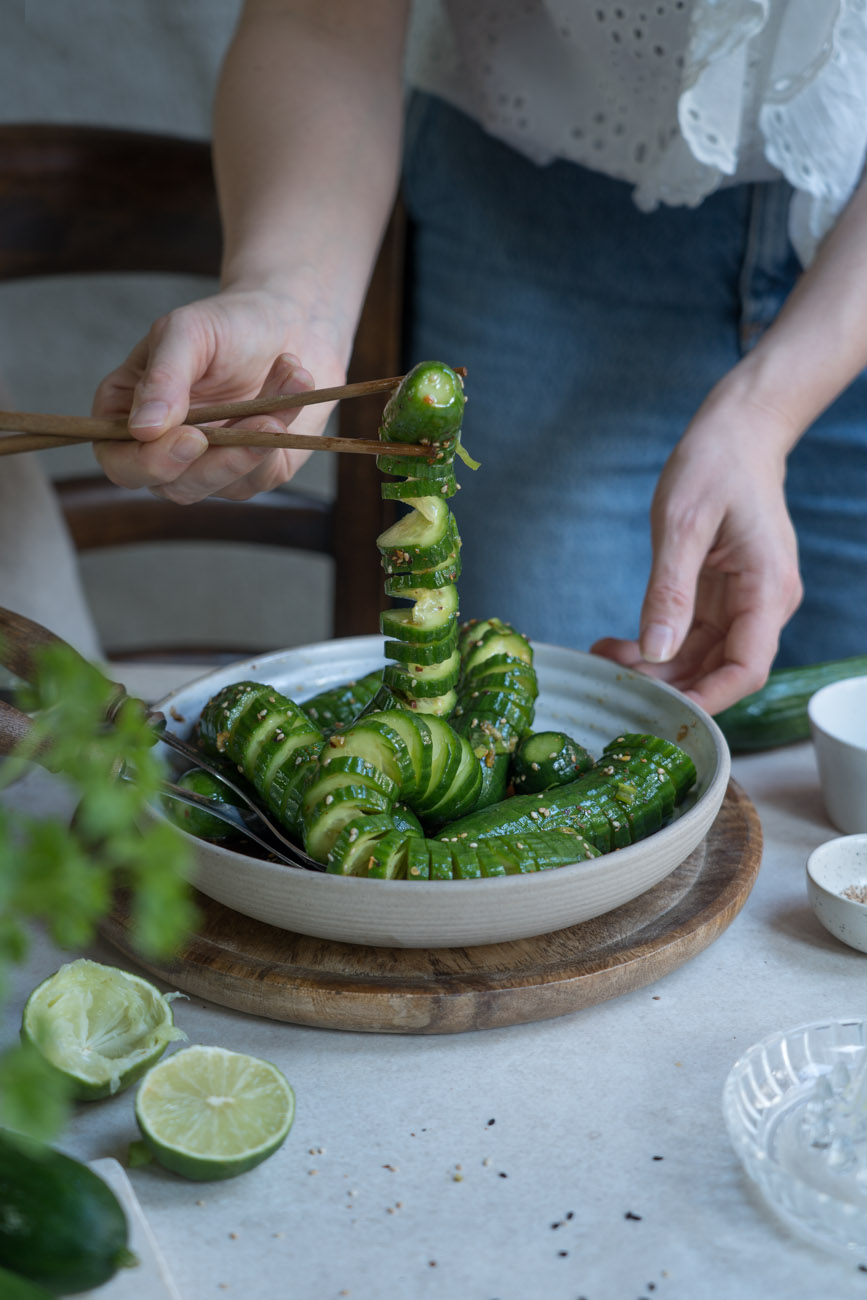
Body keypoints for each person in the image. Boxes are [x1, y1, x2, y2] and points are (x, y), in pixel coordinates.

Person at [89, 0, 867, 717]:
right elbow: (320, 20)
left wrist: (767, 411)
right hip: (529, 204)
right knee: (537, 718)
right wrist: (285, 300)